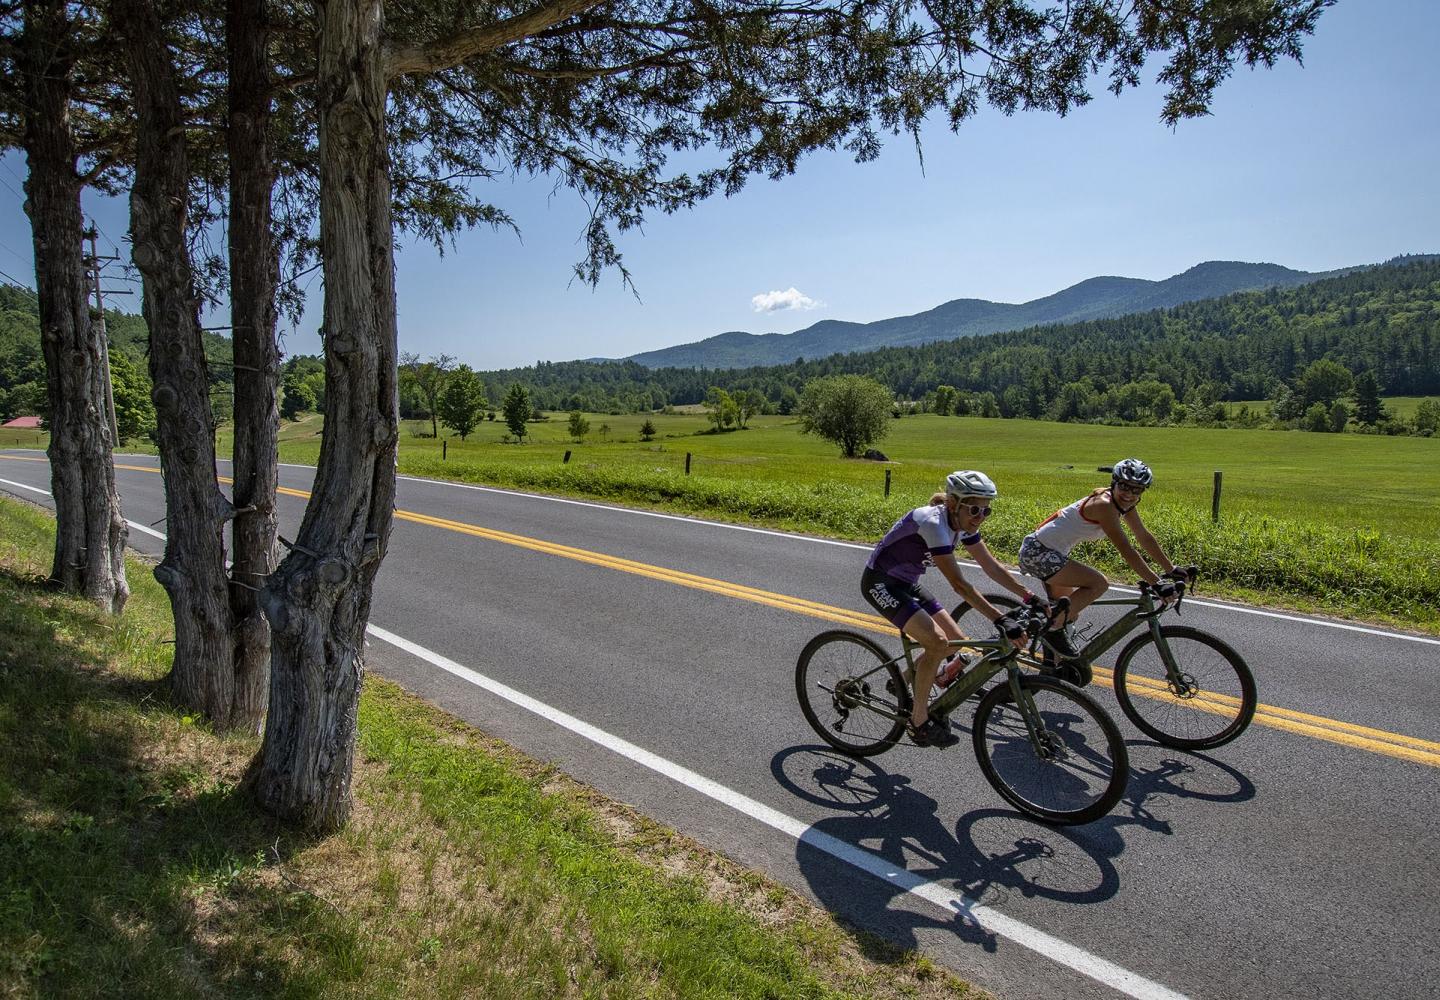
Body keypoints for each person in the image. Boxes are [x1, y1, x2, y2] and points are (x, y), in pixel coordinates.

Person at [862, 470, 1041, 748]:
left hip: (907, 583)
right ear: (954, 504)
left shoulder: (962, 524)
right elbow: (960, 585)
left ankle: (901, 679)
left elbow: (991, 566)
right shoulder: (932, 523)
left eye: (986, 511)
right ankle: (918, 720)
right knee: (937, 643)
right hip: (881, 583)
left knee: (954, 642)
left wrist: (1029, 596)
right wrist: (1000, 618)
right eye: (974, 509)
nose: (980, 517)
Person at [1018, 458, 1188, 667]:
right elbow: (1127, 550)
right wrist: (1156, 583)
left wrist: (1171, 569)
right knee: (1098, 584)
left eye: (1137, 490)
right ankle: (1050, 631)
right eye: (1125, 486)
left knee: (1067, 613)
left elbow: (1144, 537)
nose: (1129, 494)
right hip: (1039, 552)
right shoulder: (1104, 505)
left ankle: (1050, 668)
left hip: (1052, 552)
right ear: (1114, 482)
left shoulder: (1124, 504)